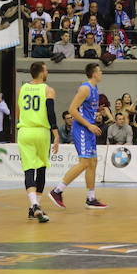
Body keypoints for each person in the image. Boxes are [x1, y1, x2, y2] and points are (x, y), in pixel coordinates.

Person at [48, 63, 108, 209]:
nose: (101, 73)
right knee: (85, 163)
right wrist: (89, 125)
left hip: (89, 129)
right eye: (100, 71)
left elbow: (85, 109)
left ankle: (91, 198)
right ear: (94, 73)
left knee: (93, 162)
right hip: (82, 129)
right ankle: (57, 191)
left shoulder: (95, 88)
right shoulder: (85, 88)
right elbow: (72, 110)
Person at [16, 61, 57, 223]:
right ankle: (36, 206)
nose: (47, 72)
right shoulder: (48, 90)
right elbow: (50, 113)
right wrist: (56, 134)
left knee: (28, 169)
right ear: (41, 73)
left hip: (24, 131)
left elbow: (18, 112)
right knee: (40, 169)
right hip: (41, 132)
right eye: (46, 70)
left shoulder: (22, 89)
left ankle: (33, 206)